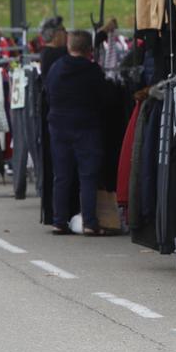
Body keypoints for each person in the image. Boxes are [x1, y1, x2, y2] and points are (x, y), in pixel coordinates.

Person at [45, 30, 106, 235]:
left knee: (61, 176)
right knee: (87, 176)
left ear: (69, 46)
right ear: (89, 49)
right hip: (86, 126)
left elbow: (48, 93)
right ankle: (89, 222)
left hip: (59, 126)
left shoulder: (56, 68)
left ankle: (59, 220)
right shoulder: (93, 70)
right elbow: (102, 97)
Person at [38, 16, 69, 226]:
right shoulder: (55, 55)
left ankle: (56, 214)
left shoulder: (48, 54)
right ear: (57, 34)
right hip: (57, 116)